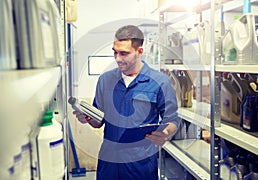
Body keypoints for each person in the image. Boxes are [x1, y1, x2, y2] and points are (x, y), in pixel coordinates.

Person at [73, 25, 179, 180]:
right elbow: (99, 122)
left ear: (139, 52)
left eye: (124, 53)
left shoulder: (159, 82)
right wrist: (88, 119)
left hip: (140, 164)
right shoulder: (105, 80)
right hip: (109, 162)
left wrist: (165, 132)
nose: (117, 58)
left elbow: (172, 120)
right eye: (115, 52)